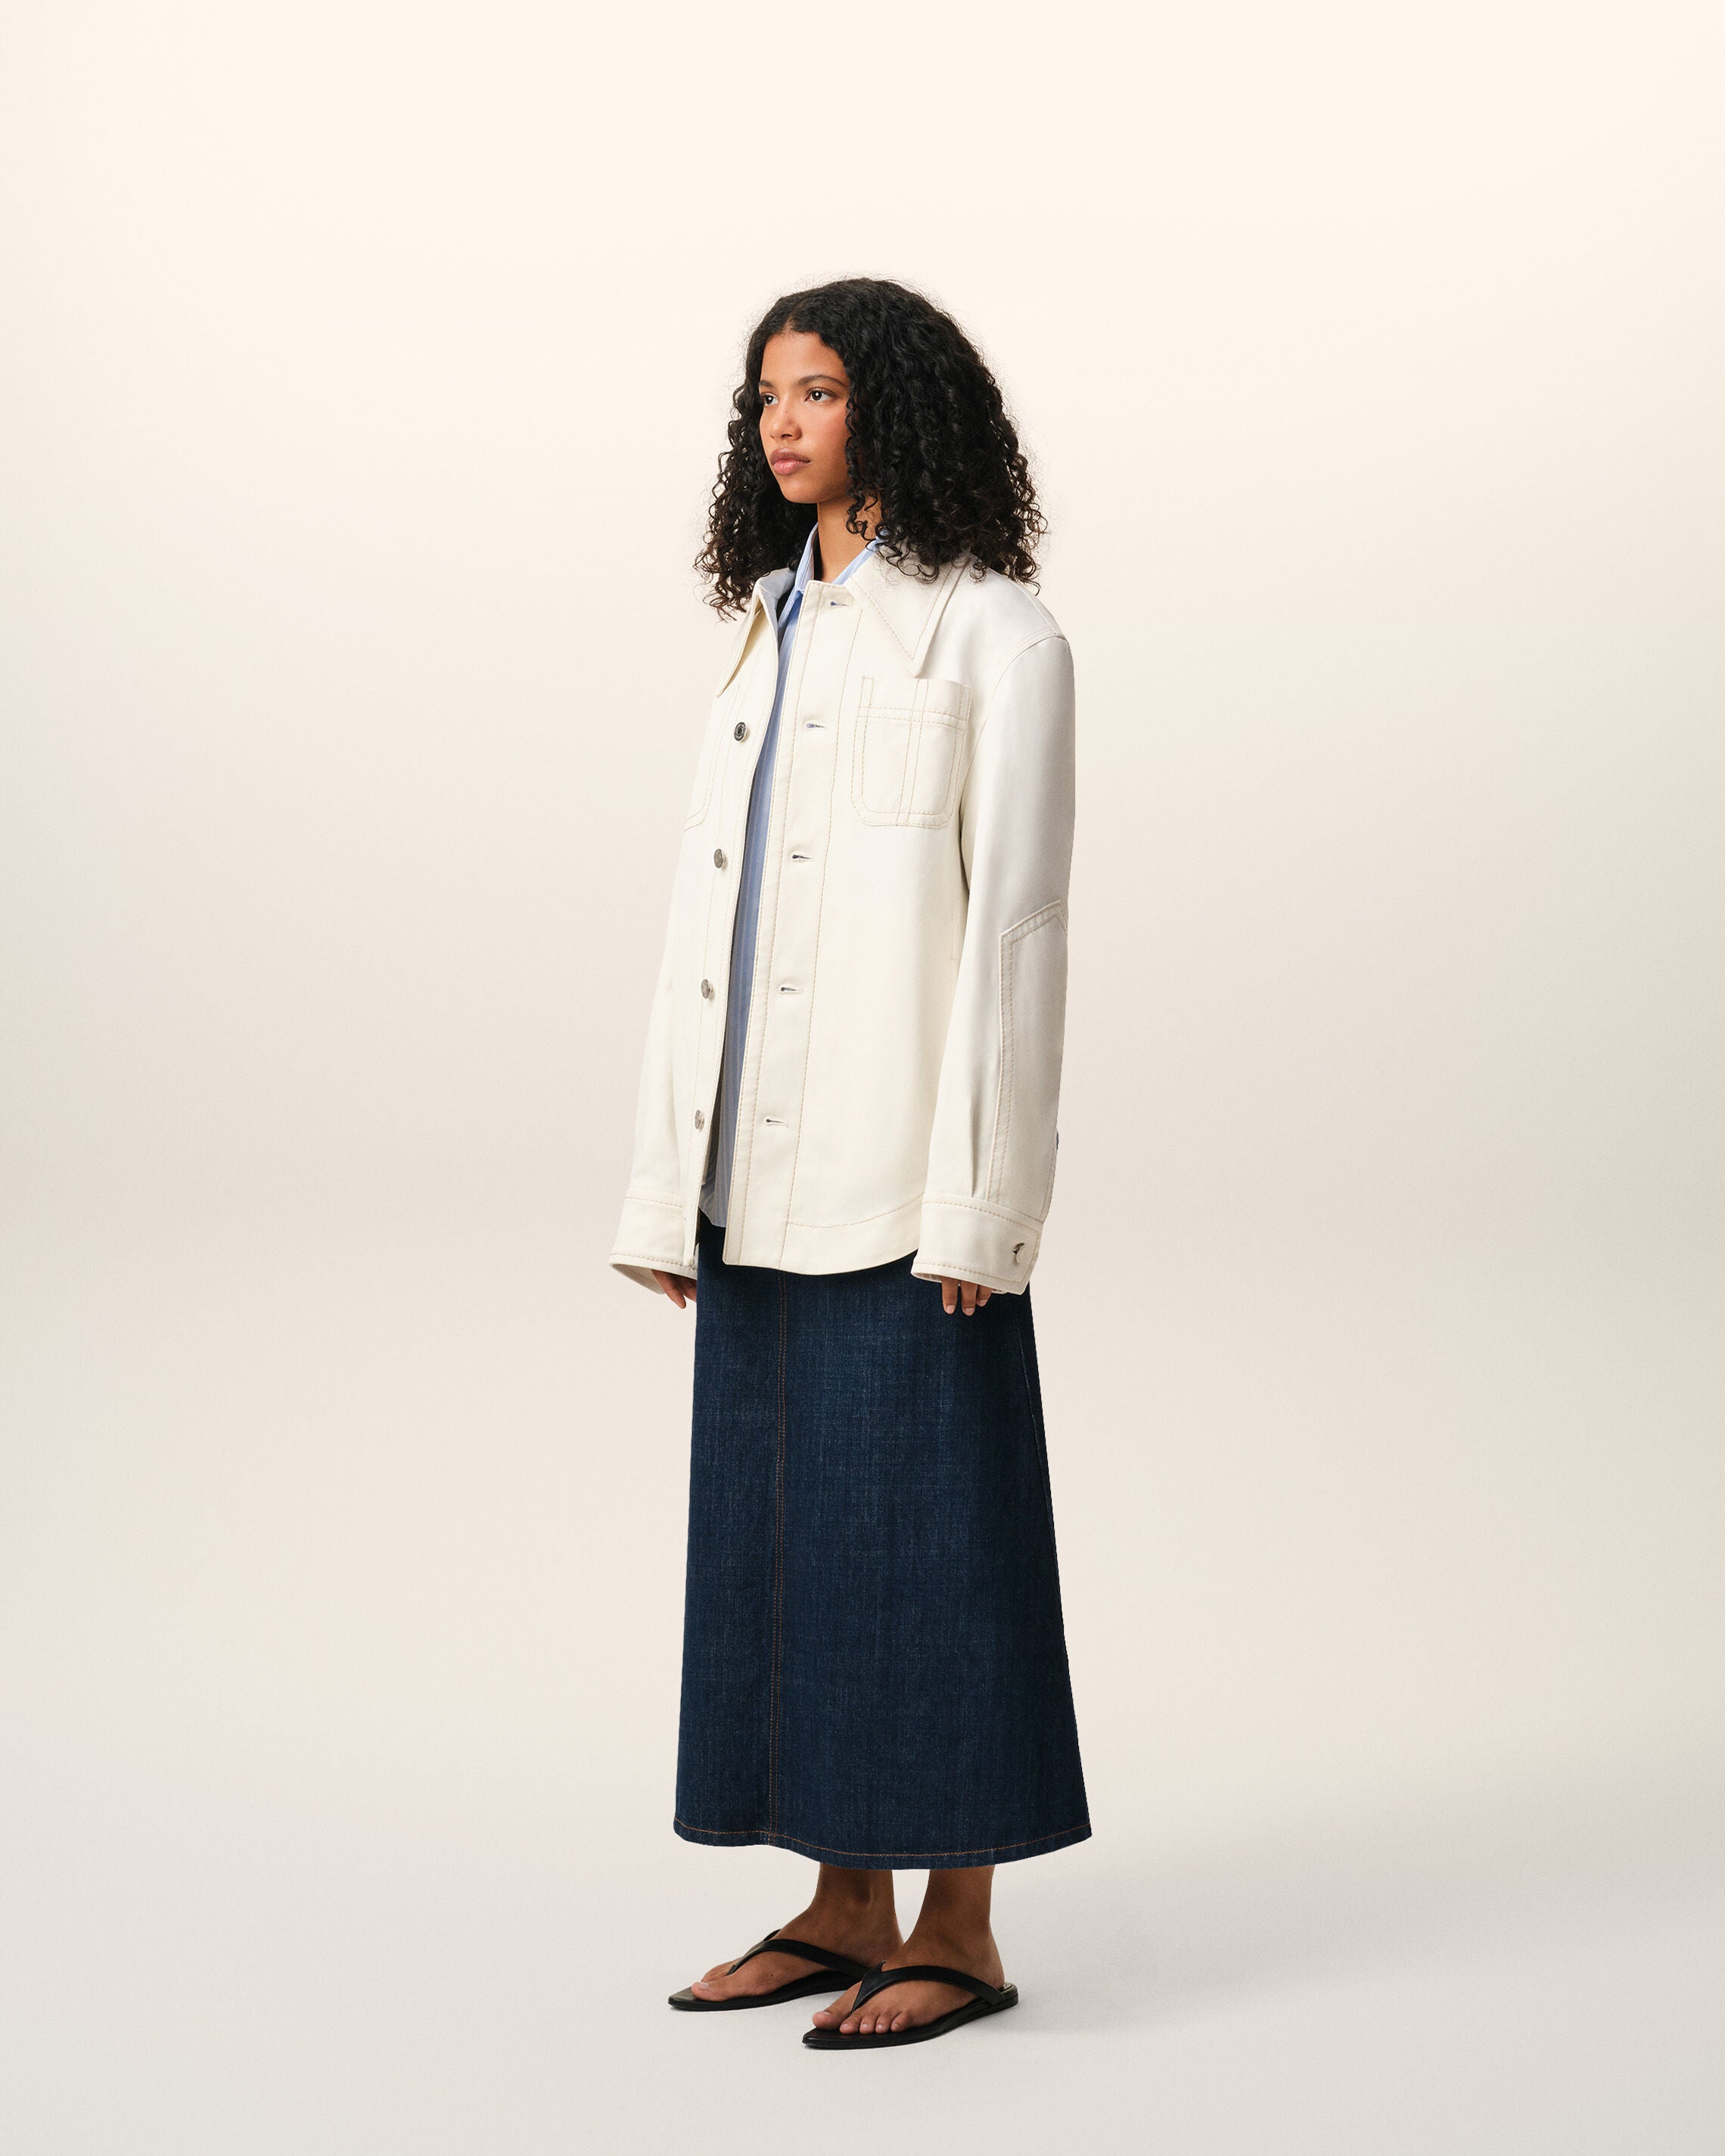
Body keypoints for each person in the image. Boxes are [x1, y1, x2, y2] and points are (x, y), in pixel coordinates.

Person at [609, 277, 1086, 2051]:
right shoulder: (768, 630)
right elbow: (708, 923)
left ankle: (959, 1927)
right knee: (784, 1544)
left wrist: (987, 1206)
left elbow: (1017, 932)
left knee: (938, 1541)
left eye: (816, 391)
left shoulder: (994, 636)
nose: (782, 424)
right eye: (765, 399)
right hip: (754, 1173)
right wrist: (672, 1187)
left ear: (895, 404)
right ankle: (838, 1900)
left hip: (906, 1181)